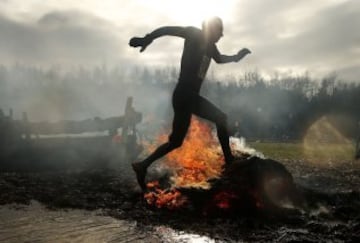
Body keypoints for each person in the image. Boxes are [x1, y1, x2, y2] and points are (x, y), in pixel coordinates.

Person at [129, 16, 251, 190]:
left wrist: (237, 57)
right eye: (219, 31)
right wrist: (147, 38)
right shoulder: (193, 34)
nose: (221, 35)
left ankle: (142, 165)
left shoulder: (211, 47)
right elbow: (167, 29)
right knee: (221, 118)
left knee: (176, 141)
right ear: (211, 29)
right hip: (186, 95)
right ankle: (229, 161)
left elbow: (220, 58)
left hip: (184, 97)